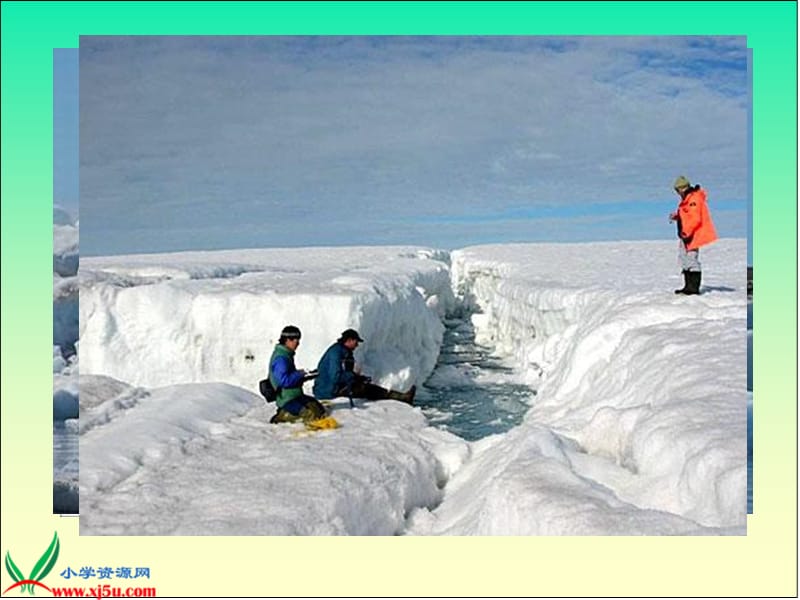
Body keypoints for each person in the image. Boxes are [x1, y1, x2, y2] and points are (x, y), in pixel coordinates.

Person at [313, 329, 416, 405]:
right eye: (356, 342)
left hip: (334, 387)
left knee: (364, 386)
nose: (357, 345)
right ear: (349, 340)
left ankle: (400, 397)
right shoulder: (335, 353)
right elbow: (335, 376)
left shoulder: (344, 352)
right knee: (367, 389)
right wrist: (353, 376)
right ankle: (402, 398)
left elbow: (343, 374)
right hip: (327, 390)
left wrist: (357, 378)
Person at [669, 175, 718, 295]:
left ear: (683, 188)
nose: (677, 193)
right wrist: (677, 217)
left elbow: (695, 219)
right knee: (684, 259)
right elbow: (687, 216)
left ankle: (693, 288)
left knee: (691, 260)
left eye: (678, 190)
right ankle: (687, 286)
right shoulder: (687, 199)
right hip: (685, 235)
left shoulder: (693, 199)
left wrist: (688, 232)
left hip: (692, 235)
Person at [268, 325, 325, 424]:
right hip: (287, 399)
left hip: (295, 395)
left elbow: (290, 376)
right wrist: (300, 374)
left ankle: (291, 413)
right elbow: (284, 381)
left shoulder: (287, 354)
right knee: (310, 415)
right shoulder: (281, 358)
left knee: (318, 409)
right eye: (295, 339)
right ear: (287, 340)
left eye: (298, 339)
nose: (297, 343)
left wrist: (306, 376)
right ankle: (283, 415)